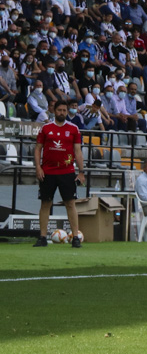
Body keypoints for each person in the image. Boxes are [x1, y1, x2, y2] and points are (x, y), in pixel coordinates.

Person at [33, 101, 85, 248]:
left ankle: (75, 237)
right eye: (59, 110)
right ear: (54, 111)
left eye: (64, 110)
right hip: (47, 172)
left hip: (67, 172)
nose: (62, 112)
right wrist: (38, 167)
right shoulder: (46, 128)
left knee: (70, 204)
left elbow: (78, 151)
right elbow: (38, 149)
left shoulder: (74, 129)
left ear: (67, 112)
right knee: (45, 203)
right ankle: (42, 237)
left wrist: (81, 172)